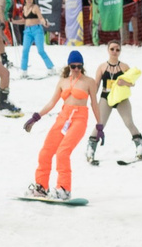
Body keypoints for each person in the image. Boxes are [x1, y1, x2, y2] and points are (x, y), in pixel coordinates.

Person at [22, 50, 96, 201]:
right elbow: (52, 102)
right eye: (73, 66)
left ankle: (64, 188)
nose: (76, 69)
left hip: (79, 117)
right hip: (63, 117)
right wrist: (36, 117)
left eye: (79, 66)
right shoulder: (63, 81)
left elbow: (95, 104)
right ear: (69, 66)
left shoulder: (89, 82)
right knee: (46, 151)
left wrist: (100, 126)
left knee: (63, 152)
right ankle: (41, 186)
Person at [86, 41, 142, 162]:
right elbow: (96, 84)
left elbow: (132, 82)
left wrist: (124, 83)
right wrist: (93, 99)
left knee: (129, 122)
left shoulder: (124, 66)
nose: (115, 52)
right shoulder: (102, 67)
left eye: (117, 50)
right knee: (100, 124)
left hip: (120, 97)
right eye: (112, 49)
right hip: (106, 97)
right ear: (108, 50)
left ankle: (141, 146)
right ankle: (91, 148)